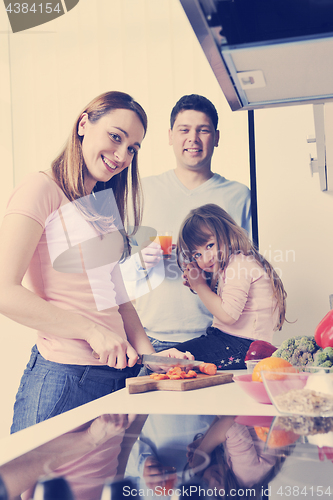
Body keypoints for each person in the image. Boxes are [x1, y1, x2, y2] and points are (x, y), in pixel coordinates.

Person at [0, 91, 192, 434]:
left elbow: (118, 300)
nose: (122, 155)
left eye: (133, 148)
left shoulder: (102, 208)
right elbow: (4, 291)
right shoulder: (40, 188)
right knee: (32, 489)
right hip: (64, 379)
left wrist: (152, 359)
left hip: (118, 378)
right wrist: (91, 331)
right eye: (116, 137)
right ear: (83, 124)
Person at [121, 94, 251, 352]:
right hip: (150, 339)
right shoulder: (139, 192)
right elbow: (118, 277)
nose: (193, 138)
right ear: (170, 136)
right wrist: (148, 255)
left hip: (219, 337)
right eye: (184, 130)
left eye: (203, 130)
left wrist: (208, 274)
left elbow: (245, 271)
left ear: (216, 137)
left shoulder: (239, 195)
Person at [174, 203, 287, 369]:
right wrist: (202, 284)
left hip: (241, 346)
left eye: (209, 246)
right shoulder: (237, 263)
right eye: (197, 254)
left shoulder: (238, 264)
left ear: (227, 234)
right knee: (170, 358)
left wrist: (200, 286)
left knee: (168, 360)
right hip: (241, 344)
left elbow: (227, 315)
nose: (205, 259)